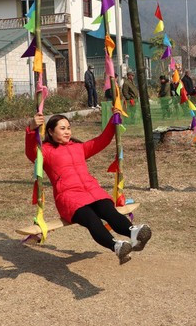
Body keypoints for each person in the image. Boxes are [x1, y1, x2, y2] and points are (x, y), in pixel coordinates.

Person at [25, 112, 151, 264]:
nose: (67, 132)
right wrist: (32, 129)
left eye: (69, 128)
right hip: (69, 197)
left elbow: (101, 141)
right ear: (51, 132)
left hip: (93, 191)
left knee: (109, 211)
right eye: (62, 128)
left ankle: (133, 232)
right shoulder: (44, 151)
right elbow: (31, 152)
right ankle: (116, 246)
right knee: (92, 220)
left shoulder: (79, 147)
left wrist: (113, 121)